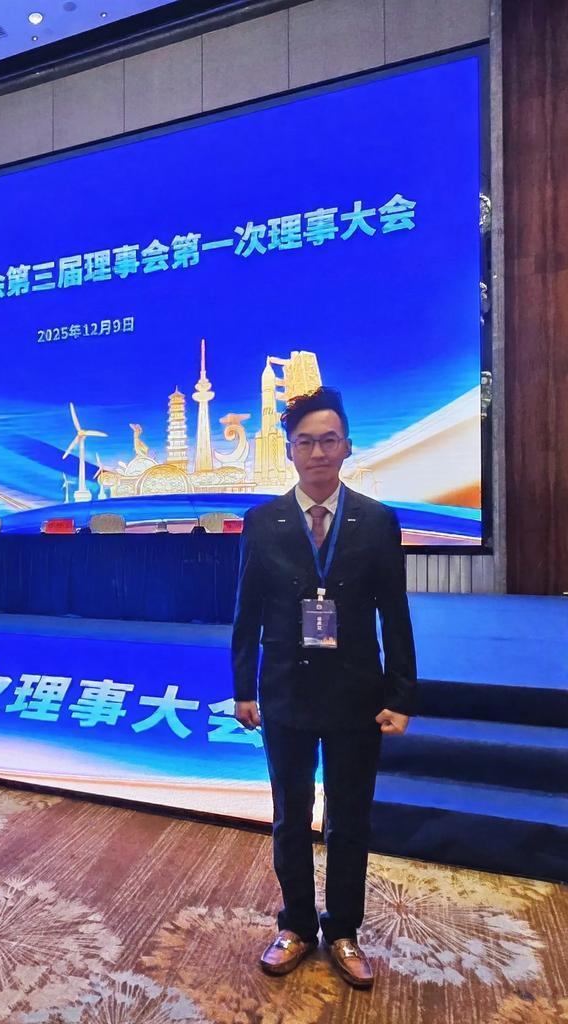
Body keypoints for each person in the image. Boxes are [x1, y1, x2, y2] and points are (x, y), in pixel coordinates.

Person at [231, 387, 415, 990]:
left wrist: (401, 696)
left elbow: (395, 614)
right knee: (290, 815)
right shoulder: (262, 523)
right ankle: (295, 925)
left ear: (347, 447)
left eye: (328, 440)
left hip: (357, 693)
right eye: (305, 441)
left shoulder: (377, 521)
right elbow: (246, 614)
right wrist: (243, 688)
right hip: (285, 690)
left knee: (349, 818)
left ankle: (343, 930)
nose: (317, 452)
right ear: (289, 450)